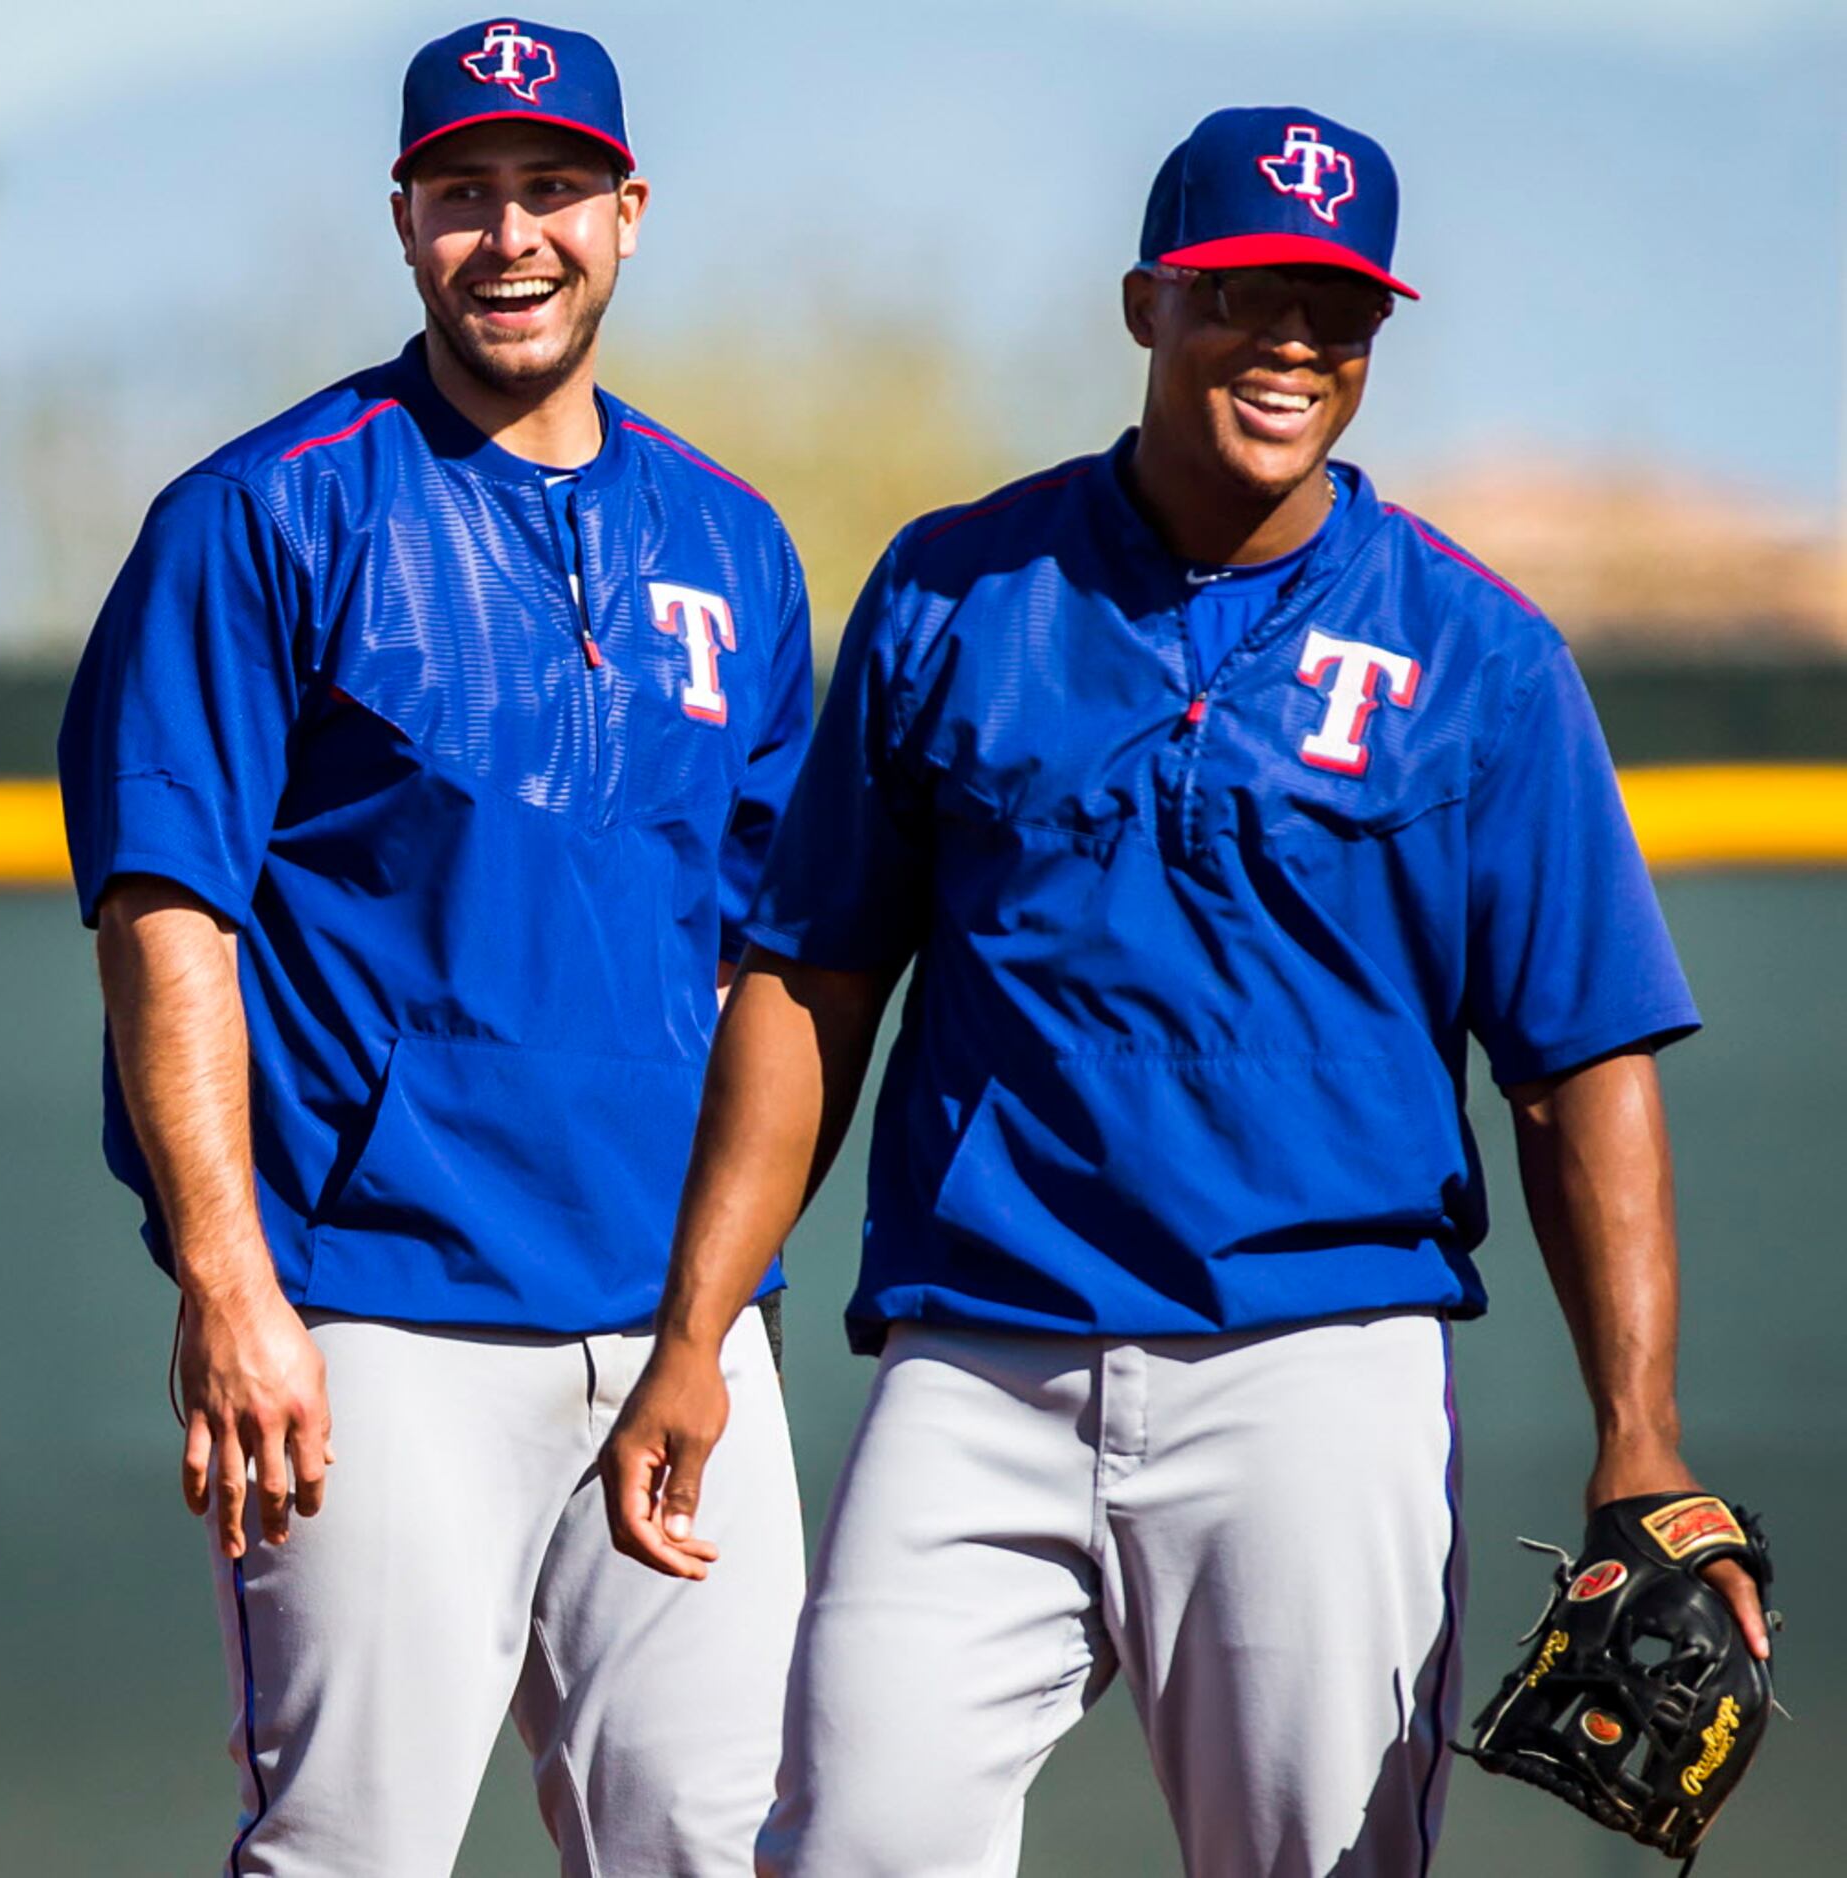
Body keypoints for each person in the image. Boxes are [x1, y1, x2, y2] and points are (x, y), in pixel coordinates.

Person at [599, 106, 1769, 1877]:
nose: (1291, 341)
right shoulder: (954, 583)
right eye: (1241, 296)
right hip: (976, 1360)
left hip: (1305, 1370)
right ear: (1147, 303)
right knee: (850, 1841)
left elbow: (1577, 1064)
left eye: (1337, 308)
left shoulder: (1479, 654)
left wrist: (1640, 1439)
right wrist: (692, 1333)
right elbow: (808, 981)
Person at [58, 19, 810, 1876]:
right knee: (350, 1850)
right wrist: (234, 1285)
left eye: (552, 189)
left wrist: (715, 1321)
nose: (511, 235)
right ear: (402, 221)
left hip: (669, 1328)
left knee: (721, 1850)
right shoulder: (263, 509)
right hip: (371, 1322)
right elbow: (169, 917)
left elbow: (767, 960)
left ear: (629, 214)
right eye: (463, 193)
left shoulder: (732, 540)